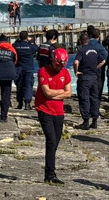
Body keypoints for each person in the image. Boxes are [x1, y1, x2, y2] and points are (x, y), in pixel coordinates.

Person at [35, 47, 72, 185]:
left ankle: (50, 169)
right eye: (58, 64)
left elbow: (69, 93)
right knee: (50, 140)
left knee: (55, 142)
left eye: (62, 65)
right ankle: (50, 174)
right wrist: (60, 92)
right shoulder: (43, 72)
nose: (59, 67)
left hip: (59, 112)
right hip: (44, 110)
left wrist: (54, 93)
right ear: (53, 60)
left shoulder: (65, 73)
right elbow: (46, 93)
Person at [74, 33, 105, 129]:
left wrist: (76, 72)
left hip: (85, 77)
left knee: (84, 99)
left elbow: (76, 62)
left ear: (81, 41)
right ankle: (95, 120)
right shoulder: (95, 50)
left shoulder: (81, 50)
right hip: (94, 77)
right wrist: (96, 68)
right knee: (94, 98)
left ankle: (86, 121)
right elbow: (103, 61)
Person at [13, 30, 38, 110]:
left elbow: (12, 48)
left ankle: (19, 103)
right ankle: (27, 103)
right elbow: (36, 48)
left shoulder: (16, 46)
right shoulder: (30, 46)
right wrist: (31, 41)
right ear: (27, 37)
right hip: (28, 68)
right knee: (28, 86)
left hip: (18, 68)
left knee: (19, 86)